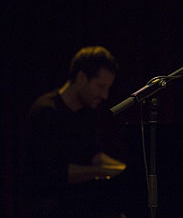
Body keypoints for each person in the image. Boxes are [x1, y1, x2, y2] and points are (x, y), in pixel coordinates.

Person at [23, 46, 126, 217]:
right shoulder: (46, 111)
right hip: (50, 209)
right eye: (100, 86)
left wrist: (126, 170)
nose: (105, 95)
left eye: (107, 88)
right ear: (81, 77)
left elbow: (96, 156)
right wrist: (106, 172)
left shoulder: (84, 112)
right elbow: (55, 173)